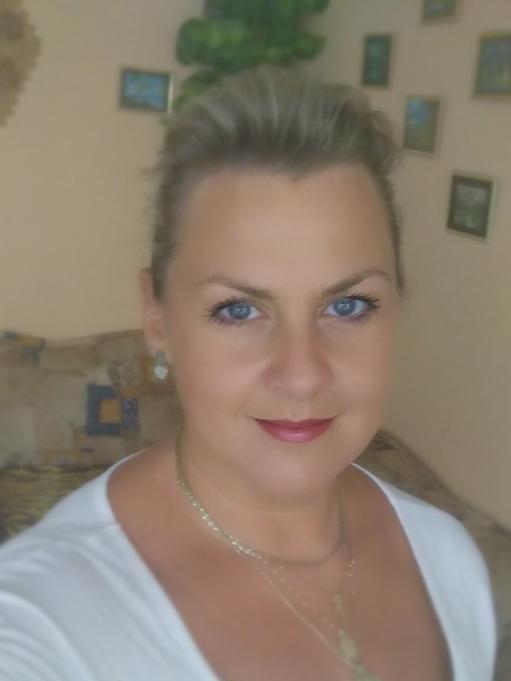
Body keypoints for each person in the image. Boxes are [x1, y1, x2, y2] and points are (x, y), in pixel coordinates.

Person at [0, 67, 496, 681]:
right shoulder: (40, 623)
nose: (302, 375)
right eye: (238, 310)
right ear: (157, 318)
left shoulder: (449, 560)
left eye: (348, 306)